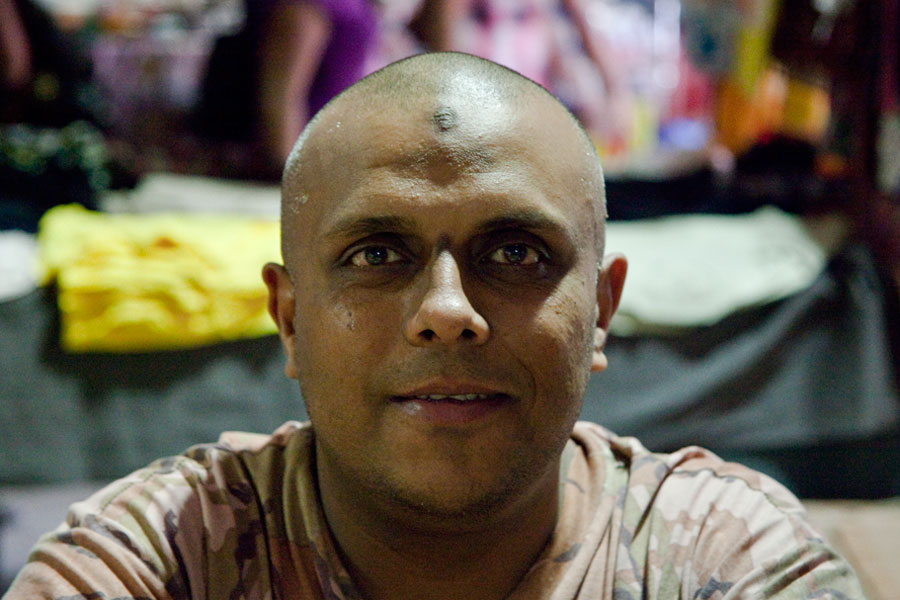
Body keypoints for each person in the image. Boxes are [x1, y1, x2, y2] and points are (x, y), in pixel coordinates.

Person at [3, 52, 864, 599]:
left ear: (601, 313)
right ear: (290, 320)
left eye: (517, 252)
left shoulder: (720, 553)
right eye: (377, 254)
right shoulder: (163, 555)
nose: (448, 312)